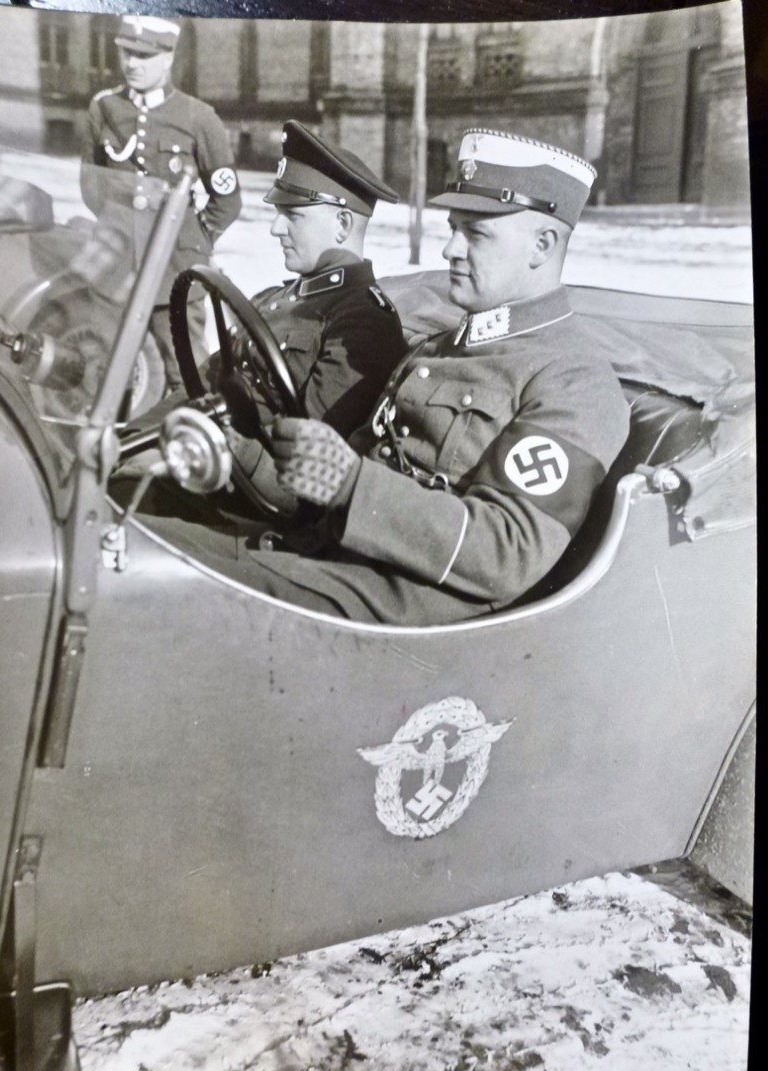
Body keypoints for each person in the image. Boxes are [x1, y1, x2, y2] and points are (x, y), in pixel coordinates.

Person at [139, 129, 631, 627]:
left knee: (137, 580)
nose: (450, 251)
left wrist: (352, 485)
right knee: (126, 539)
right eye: (453, 229)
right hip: (328, 559)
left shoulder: (574, 381)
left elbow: (507, 552)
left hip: (396, 609)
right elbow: (331, 479)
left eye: (476, 234)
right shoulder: (438, 348)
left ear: (542, 245)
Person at [123, 119, 408, 510]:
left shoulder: (362, 324)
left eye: (293, 215)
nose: (276, 228)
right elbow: (201, 382)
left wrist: (187, 447)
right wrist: (129, 438)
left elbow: (302, 470)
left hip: (247, 504)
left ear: (342, 224)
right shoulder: (276, 298)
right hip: (206, 463)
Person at [80, 15, 242, 390]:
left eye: (143, 55)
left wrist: (191, 240)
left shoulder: (198, 117)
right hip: (114, 264)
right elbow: (91, 184)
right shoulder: (103, 108)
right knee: (102, 367)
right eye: (126, 52)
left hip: (174, 269)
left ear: (168, 57)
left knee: (187, 375)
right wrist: (117, 226)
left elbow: (228, 201)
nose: (131, 63)